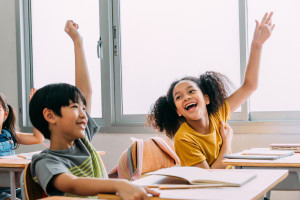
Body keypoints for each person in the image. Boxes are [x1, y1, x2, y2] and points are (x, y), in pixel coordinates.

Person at [29, 20, 160, 199]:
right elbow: (72, 184)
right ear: (50, 116)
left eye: (84, 107)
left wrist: (78, 42)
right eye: (75, 107)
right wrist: (119, 184)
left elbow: (86, 91)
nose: (84, 114)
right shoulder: (45, 161)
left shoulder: (82, 142)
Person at [147, 12, 275, 169]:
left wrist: (257, 45)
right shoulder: (184, 139)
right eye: (179, 97)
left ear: (206, 99)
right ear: (178, 111)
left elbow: (250, 86)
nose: (186, 97)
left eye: (191, 91)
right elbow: (207, 179)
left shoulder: (218, 115)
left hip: (231, 183)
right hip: (210, 190)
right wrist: (226, 143)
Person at [0, 90, 44, 200]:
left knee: (42, 193)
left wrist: (35, 110)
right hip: (1, 192)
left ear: (5, 114)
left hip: (15, 186)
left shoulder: (10, 135)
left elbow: (38, 138)